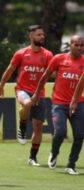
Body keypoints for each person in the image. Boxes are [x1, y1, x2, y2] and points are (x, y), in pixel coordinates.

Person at [0, 25, 53, 166]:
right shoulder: (21, 53)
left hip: (39, 93)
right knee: (27, 104)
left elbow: (52, 73)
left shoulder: (47, 55)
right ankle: (22, 127)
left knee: (38, 126)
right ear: (31, 36)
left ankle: (32, 157)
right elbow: (9, 71)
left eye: (43, 34)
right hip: (22, 90)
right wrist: (1, 86)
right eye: (39, 34)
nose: (42, 37)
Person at [32, 35, 84, 175]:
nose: (79, 48)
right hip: (59, 103)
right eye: (76, 45)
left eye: (82, 45)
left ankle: (71, 165)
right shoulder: (59, 59)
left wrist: (75, 100)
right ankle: (54, 153)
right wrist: (37, 93)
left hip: (77, 104)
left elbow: (81, 85)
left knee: (79, 135)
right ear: (70, 45)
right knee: (60, 132)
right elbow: (45, 76)